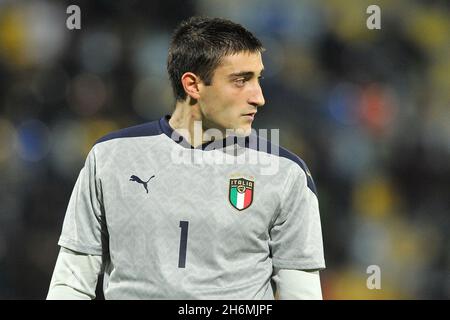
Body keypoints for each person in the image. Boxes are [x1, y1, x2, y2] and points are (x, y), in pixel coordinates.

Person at [47, 16, 325, 300]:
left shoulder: (286, 173)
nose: (259, 97)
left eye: (258, 79)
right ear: (192, 85)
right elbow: (71, 284)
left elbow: (301, 294)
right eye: (241, 81)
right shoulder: (109, 157)